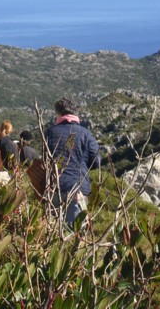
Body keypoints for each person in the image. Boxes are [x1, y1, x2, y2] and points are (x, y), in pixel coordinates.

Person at [45, 97, 101, 227]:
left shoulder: (50, 132)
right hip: (77, 188)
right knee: (74, 232)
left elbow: (45, 159)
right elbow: (96, 160)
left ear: (58, 114)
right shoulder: (85, 134)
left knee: (53, 231)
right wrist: (81, 166)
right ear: (75, 114)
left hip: (54, 187)